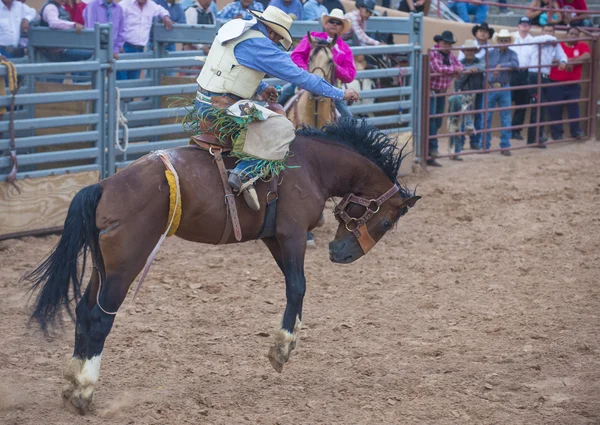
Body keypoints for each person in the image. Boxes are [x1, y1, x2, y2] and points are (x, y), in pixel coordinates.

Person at [192, 6, 359, 210]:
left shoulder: (236, 29)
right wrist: (340, 93)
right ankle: (244, 172)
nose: (277, 44)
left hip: (203, 101)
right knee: (284, 126)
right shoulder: (262, 45)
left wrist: (261, 88)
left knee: (276, 111)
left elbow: (229, 65)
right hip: (225, 110)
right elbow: (302, 77)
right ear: (272, 32)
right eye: (278, 40)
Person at [279, 9, 355, 117]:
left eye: (338, 23)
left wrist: (334, 67)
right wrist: (306, 73)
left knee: (348, 118)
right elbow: (296, 56)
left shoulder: (345, 48)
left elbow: (350, 74)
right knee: (277, 101)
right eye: (332, 21)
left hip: (330, 86)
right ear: (326, 24)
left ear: (342, 27)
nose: (334, 24)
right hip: (303, 81)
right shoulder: (312, 37)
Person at [524, 24, 567, 147]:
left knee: (541, 105)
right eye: (546, 31)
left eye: (551, 31)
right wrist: (549, 39)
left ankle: (535, 137)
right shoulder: (537, 40)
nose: (548, 33)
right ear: (542, 32)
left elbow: (562, 55)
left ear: (554, 33)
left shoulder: (554, 43)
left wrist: (563, 61)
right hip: (534, 74)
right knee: (538, 104)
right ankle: (536, 137)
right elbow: (534, 40)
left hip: (544, 75)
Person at [547, 26, 590, 141]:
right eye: (571, 33)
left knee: (574, 108)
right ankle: (557, 134)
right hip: (556, 82)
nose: (573, 36)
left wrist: (567, 61)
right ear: (567, 34)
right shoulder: (559, 45)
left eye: (576, 34)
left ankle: (576, 132)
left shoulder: (582, 45)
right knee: (555, 109)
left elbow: (586, 56)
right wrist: (568, 61)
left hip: (573, 84)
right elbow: (552, 59)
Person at [428, 30, 463, 167]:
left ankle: (431, 152)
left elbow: (461, 66)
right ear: (439, 42)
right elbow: (438, 68)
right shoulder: (433, 53)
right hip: (431, 91)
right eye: (445, 43)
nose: (447, 46)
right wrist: (454, 69)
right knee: (431, 120)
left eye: (449, 43)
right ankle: (432, 149)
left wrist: (455, 68)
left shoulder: (449, 55)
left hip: (440, 92)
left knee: (436, 122)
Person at [118, 0, 173, 80]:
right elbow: (115, 24)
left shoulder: (151, 5)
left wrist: (166, 17)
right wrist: (117, 44)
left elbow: (161, 10)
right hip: (124, 48)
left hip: (139, 50)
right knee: (121, 81)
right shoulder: (124, 4)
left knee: (133, 82)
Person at [447, 39, 484, 158]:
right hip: (465, 92)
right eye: (467, 50)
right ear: (465, 51)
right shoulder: (460, 63)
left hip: (478, 91)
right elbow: (458, 79)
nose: (469, 52)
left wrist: (471, 69)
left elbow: (483, 66)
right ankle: (462, 143)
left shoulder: (478, 61)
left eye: (471, 50)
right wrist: (468, 71)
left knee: (477, 116)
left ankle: (474, 142)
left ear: (474, 51)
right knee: (463, 116)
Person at [485, 29, 518, 156]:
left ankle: (505, 145)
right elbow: (484, 67)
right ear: (498, 41)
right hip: (491, 86)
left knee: (506, 117)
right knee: (487, 116)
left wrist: (501, 66)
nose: (504, 42)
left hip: (504, 86)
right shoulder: (490, 53)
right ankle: (486, 145)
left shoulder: (512, 53)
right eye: (502, 40)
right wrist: (486, 80)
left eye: (506, 40)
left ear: (509, 41)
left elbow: (516, 64)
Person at [509, 16, 533, 140]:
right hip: (511, 73)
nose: (524, 26)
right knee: (506, 101)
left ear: (530, 27)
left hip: (525, 73)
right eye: (522, 24)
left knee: (522, 103)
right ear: (518, 26)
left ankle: (515, 130)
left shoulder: (533, 40)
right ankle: (506, 130)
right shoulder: (511, 37)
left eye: (526, 24)